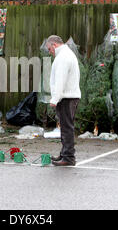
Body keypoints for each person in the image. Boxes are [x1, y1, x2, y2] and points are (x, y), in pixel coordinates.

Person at [45, 35, 81, 166]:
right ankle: (65, 153)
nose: (50, 52)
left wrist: (55, 98)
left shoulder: (63, 57)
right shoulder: (66, 54)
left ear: (54, 45)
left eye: (49, 49)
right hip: (68, 96)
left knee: (66, 127)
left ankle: (68, 157)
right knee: (66, 127)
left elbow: (60, 80)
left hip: (67, 97)